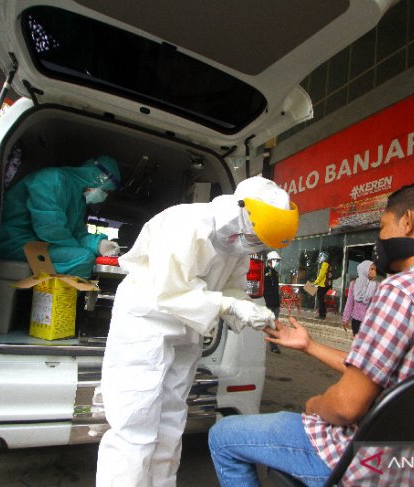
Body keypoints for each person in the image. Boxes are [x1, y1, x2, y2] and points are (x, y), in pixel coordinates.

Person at [208, 182, 414, 486]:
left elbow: (346, 407)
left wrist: (316, 405)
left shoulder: (402, 292)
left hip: (360, 464)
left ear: (407, 222)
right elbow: (389, 374)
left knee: (223, 436)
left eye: (383, 227)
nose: (380, 240)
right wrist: (309, 346)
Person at [96, 176, 299, 487]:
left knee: (171, 421)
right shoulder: (183, 223)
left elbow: (233, 288)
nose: (254, 246)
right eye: (256, 237)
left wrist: (251, 310)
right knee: (135, 424)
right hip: (146, 323)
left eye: (262, 243)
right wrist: (230, 307)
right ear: (242, 212)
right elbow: (171, 292)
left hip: (187, 330)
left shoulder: (237, 243)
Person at [0, 155, 122, 278]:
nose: (104, 197)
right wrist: (85, 250)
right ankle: (53, 298)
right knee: (83, 258)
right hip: (14, 241)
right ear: (99, 179)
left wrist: (99, 244)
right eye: (106, 191)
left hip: (37, 242)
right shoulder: (52, 180)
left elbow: (78, 233)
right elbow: (49, 229)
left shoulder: (79, 200)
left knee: (84, 255)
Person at [341, 260, 376, 336]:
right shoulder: (354, 284)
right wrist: (346, 318)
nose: (374, 272)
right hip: (357, 321)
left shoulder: (377, 286)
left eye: (375, 269)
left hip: (371, 322)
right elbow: (349, 302)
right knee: (358, 345)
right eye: (372, 269)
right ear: (364, 270)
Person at [264, 251, 282, 353]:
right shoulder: (265, 271)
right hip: (267, 302)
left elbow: (275, 289)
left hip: (275, 302)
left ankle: (274, 346)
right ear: (270, 261)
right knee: (264, 324)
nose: (277, 262)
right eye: (276, 260)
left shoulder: (275, 273)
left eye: (278, 261)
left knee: (274, 325)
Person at [312, 251, 331, 319]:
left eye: (321, 256)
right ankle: (323, 313)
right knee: (321, 300)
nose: (320, 258)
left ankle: (322, 315)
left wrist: (315, 283)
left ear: (324, 257)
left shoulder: (325, 264)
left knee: (320, 300)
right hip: (323, 285)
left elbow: (321, 275)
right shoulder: (326, 264)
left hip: (322, 285)